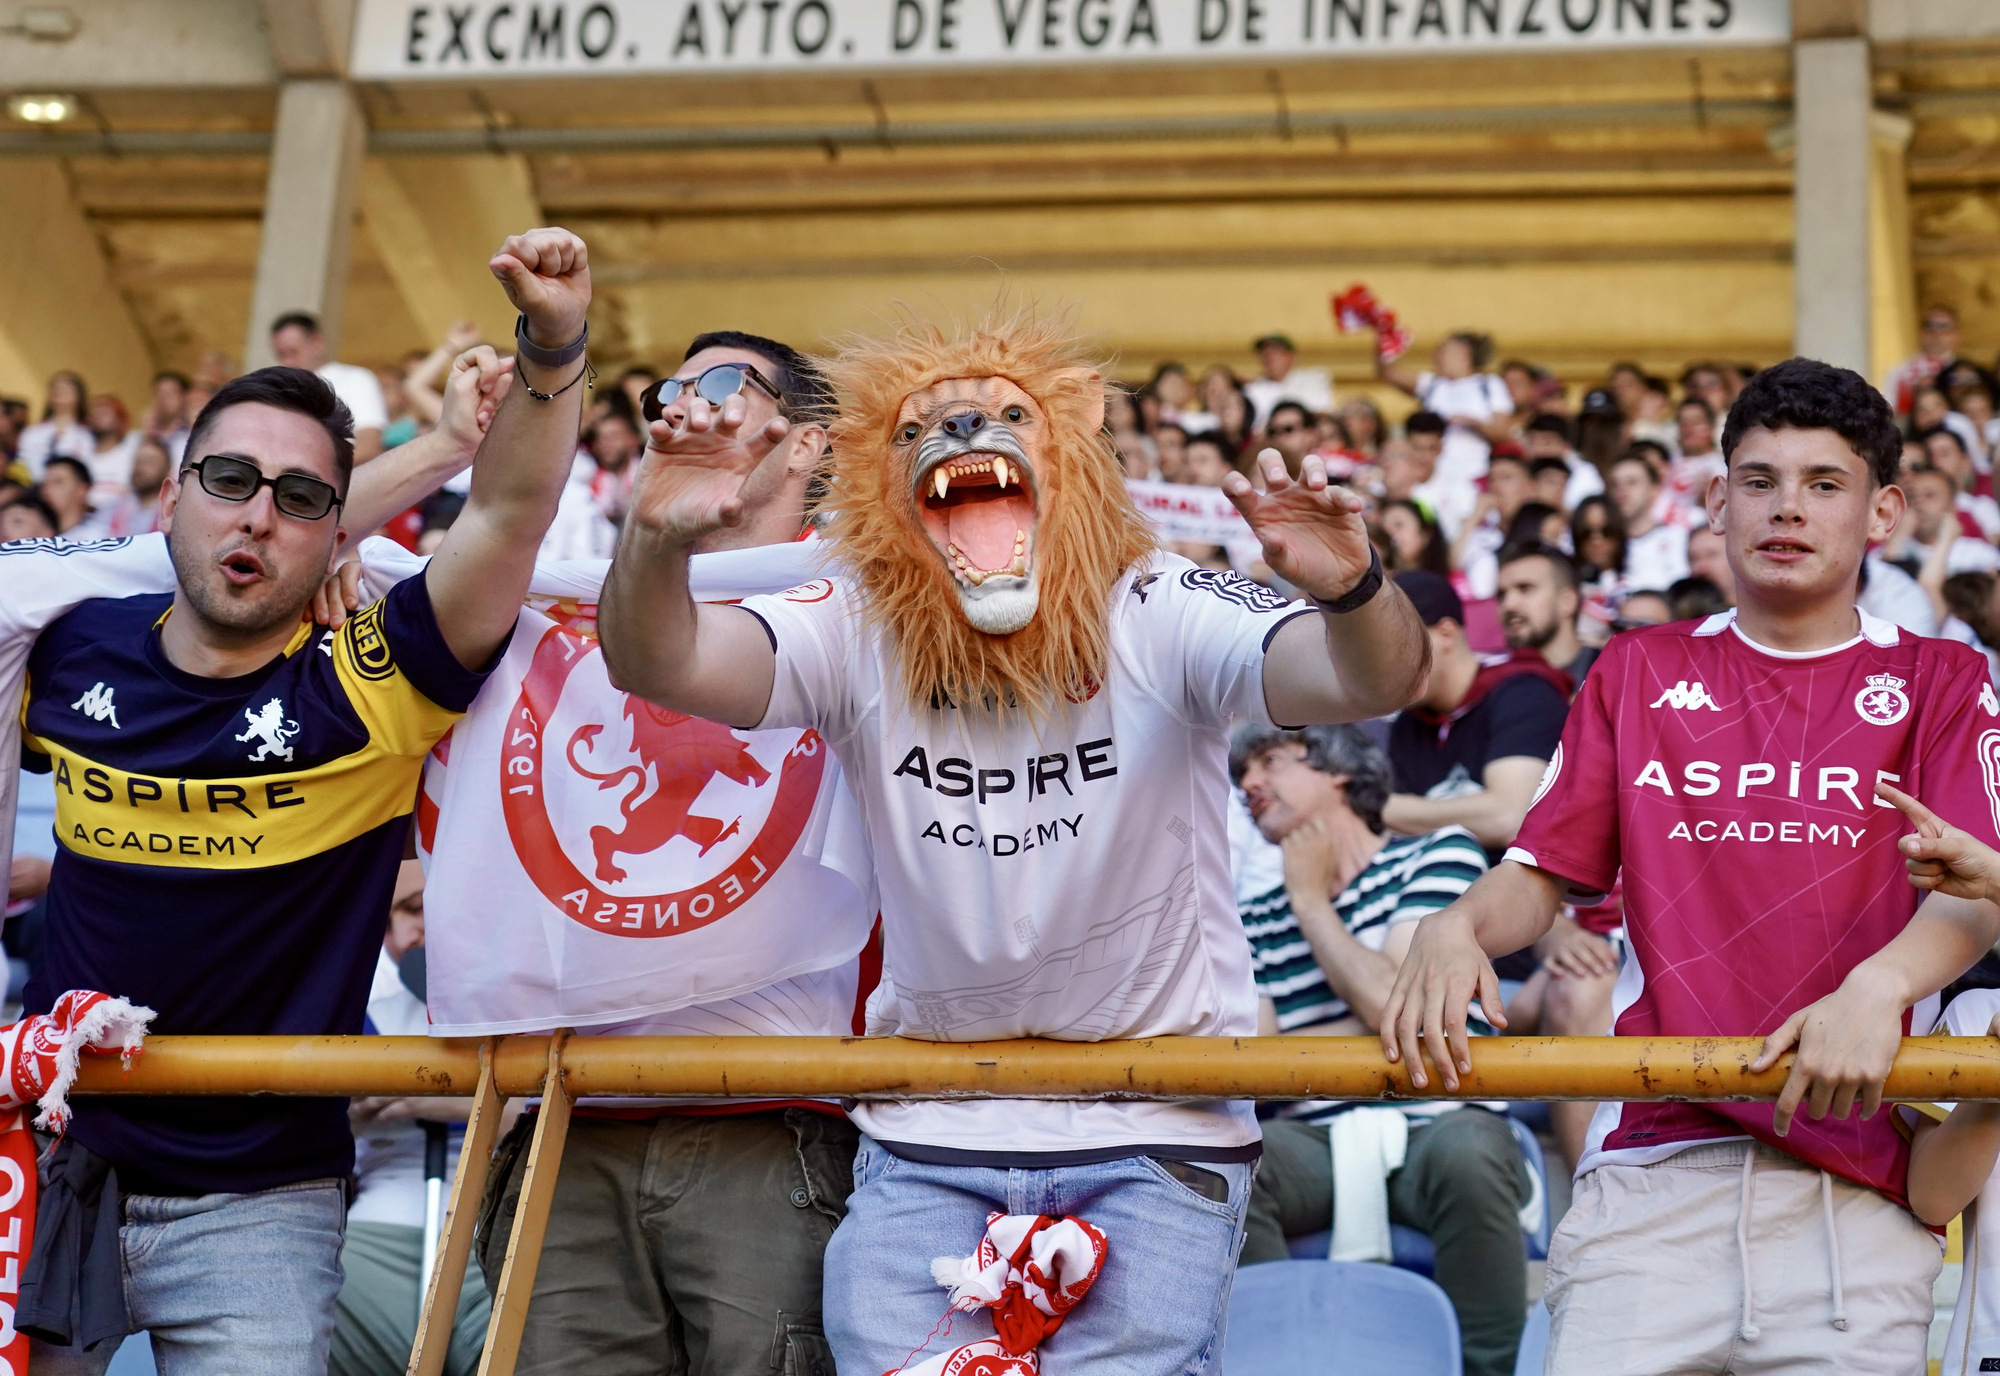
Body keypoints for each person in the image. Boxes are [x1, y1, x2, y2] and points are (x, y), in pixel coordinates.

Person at [593, 304, 1430, 1376]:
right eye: (916, 430)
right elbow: (660, 662)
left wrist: (1353, 587)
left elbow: (1371, 678)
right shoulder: (854, 614)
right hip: (926, 1137)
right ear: (878, 489)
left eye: (1003, 414)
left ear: (1067, 451)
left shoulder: (1155, 599)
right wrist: (654, 534)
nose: (958, 434)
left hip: (1153, 1133)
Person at [14, 227, 589, 1376]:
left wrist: (552, 344)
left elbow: (512, 515)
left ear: (339, 531)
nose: (256, 515)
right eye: (227, 481)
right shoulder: (65, 645)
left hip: (262, 1198)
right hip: (53, 1154)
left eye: (298, 497)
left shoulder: (374, 677)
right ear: (169, 494)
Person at [1382, 357, 2000, 1376]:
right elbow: (1540, 873)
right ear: (1713, 500)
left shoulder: (1940, 676)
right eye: (1755, 480)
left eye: (1822, 482)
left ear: (1882, 509)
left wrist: (1878, 983)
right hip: (1650, 1176)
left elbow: (1971, 897)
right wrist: (1454, 924)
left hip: (1850, 1194)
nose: (1784, 507)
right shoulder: (1637, 667)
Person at [472, 330, 865, 1376]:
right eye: (669, 390)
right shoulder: (545, 602)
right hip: (573, 1113)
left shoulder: (876, 607)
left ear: (808, 445)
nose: (684, 407)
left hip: (773, 1120)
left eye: (725, 386)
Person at [1229, 724, 1528, 1376]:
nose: (1249, 783)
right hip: (1316, 1144)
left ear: (1338, 770)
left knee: (1467, 1153)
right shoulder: (1251, 914)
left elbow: (1403, 1007)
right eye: (1241, 773)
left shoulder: (1436, 854)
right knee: (1231, 1164)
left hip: (1442, 1122)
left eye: (1270, 761)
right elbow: (1249, 1063)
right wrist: (1366, 1034)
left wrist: (1312, 908)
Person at [330, 860, 495, 1376]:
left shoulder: (521, 997)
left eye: (430, 908)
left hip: (497, 1224)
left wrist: (439, 1098)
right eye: (399, 914)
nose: (414, 929)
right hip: (375, 1226)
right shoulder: (350, 1002)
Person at [1380, 570, 1570, 861]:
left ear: (1445, 635)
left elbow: (1510, 817)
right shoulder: (1410, 721)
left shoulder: (1523, 692)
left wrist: (1387, 809)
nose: (1375, 667)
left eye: (1390, 647)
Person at [1378, 331, 1514, 497]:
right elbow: (1388, 372)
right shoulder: (1433, 385)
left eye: (1443, 350)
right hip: (1431, 474)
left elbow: (1503, 433)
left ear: (1464, 352)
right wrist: (1382, 332)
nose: (1436, 357)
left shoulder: (1489, 384)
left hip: (1473, 472)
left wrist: (1472, 422)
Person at [271, 312, 390, 464]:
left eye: (294, 352)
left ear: (317, 342)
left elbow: (369, 444)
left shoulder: (356, 379)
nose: (287, 361)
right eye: (281, 354)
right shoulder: (276, 389)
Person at [1497, 541, 1596, 686]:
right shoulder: (1496, 687)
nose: (1508, 605)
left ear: (1567, 601)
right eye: (1501, 595)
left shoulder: (1618, 671)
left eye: (1525, 589)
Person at [1608, 446, 1690, 591]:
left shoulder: (1679, 539)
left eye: (1632, 482)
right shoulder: (1604, 545)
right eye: (1615, 485)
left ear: (1654, 489)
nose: (1621, 492)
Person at [1884, 306, 1961, 418]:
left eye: (1943, 327)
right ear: (1920, 331)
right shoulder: (1899, 371)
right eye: (1928, 325)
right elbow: (1889, 411)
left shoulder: (1963, 372)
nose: (1935, 332)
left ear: (1956, 335)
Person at [1243, 333, 1333, 428]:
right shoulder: (1252, 389)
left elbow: (1321, 414)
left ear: (1292, 356)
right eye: (1264, 352)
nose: (1269, 357)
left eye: (1275, 351)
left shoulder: (1313, 379)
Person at [16, 372, 93, 480]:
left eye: (66, 388)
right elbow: (22, 464)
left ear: (79, 395)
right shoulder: (32, 432)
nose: (59, 391)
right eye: (55, 388)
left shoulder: (87, 436)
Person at [101, 436, 172, 538]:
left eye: (149, 462)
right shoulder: (112, 509)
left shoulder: (174, 514)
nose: (140, 468)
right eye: (137, 461)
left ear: (167, 469)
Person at [38, 456, 107, 539]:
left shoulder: (100, 537)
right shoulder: (36, 536)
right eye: (44, 483)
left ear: (82, 490)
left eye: (57, 482)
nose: (47, 490)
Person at [1380, 498, 1450, 576]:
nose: (1390, 533)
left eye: (1398, 524)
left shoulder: (1453, 582)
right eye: (1383, 530)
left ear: (1426, 534)